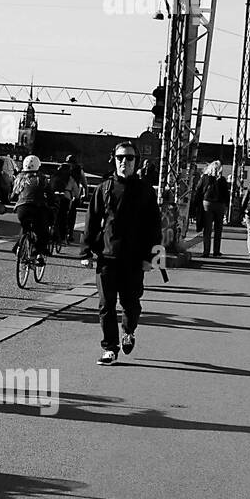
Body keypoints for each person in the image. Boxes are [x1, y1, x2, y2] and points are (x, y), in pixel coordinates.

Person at [80, 140, 162, 365]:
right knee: (106, 305)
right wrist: (85, 252)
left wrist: (152, 258)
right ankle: (110, 348)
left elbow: (154, 226)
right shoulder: (104, 188)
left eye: (129, 158)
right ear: (113, 160)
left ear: (136, 162)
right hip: (107, 257)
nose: (124, 162)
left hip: (134, 259)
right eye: (120, 158)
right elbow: (92, 221)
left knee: (131, 303)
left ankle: (129, 331)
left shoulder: (145, 190)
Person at [10, 155, 52, 263]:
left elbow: (13, 196)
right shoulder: (41, 179)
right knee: (42, 231)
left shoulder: (19, 178)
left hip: (22, 209)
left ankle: (19, 247)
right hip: (38, 207)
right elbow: (50, 194)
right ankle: (38, 254)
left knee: (25, 227)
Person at [193, 161, 230, 257]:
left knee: (207, 229)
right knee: (218, 228)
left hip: (207, 204)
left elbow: (198, 190)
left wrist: (195, 204)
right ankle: (216, 251)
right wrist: (227, 205)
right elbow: (226, 194)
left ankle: (206, 251)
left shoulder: (205, 178)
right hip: (220, 205)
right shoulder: (222, 180)